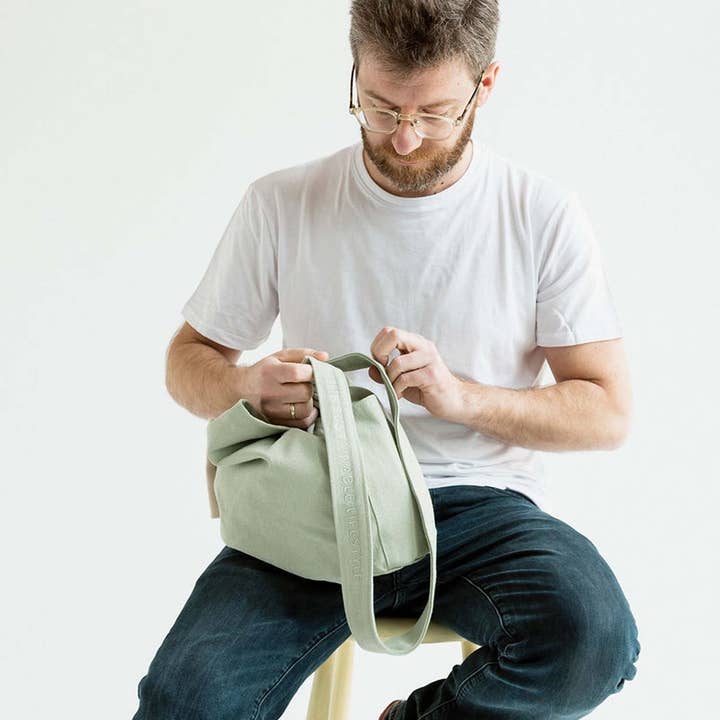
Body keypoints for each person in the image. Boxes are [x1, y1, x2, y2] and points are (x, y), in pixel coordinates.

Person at [132, 1, 641, 718]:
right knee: (183, 704)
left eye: (434, 113)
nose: (403, 138)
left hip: (477, 510)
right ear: (355, 72)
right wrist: (247, 386)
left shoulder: (541, 214)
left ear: (486, 85)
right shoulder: (281, 202)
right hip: (312, 510)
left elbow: (607, 412)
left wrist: (462, 398)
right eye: (379, 108)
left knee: (593, 640)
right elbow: (187, 362)